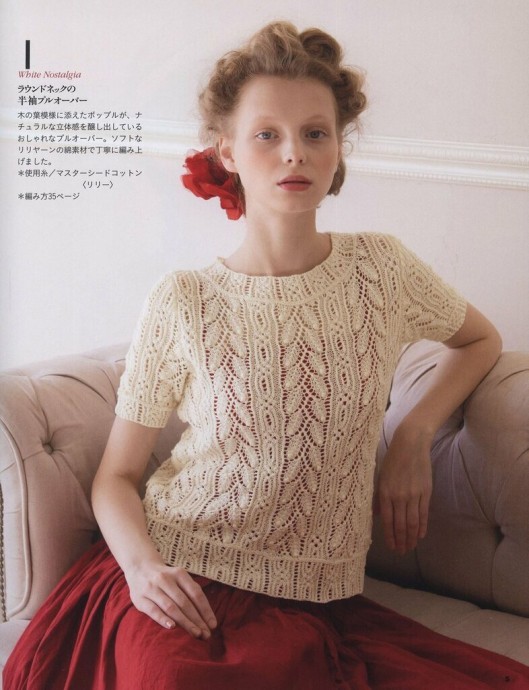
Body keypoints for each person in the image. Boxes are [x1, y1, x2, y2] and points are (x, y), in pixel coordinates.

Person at [4, 20, 528, 690]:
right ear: (225, 149)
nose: (294, 154)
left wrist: (412, 434)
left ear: (338, 148)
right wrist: (142, 568)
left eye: (315, 133)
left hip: (310, 602)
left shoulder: (382, 270)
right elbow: (116, 478)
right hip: (178, 575)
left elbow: (478, 340)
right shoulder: (185, 299)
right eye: (267, 135)